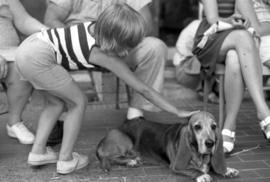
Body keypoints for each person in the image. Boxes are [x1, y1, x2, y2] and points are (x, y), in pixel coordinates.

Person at [15, 3, 198, 174]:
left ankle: (38, 152)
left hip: (27, 49)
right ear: (113, 39)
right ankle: (66, 159)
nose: (127, 52)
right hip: (39, 57)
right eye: (126, 46)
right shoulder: (100, 53)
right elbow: (144, 89)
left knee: (55, 104)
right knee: (78, 102)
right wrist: (177, 111)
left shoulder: (96, 28)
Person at [43, 0, 167, 145]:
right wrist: (82, 40)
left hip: (121, 46)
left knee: (155, 47)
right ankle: (58, 117)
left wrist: (119, 38)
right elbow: (51, 20)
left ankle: (135, 117)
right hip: (77, 46)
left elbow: (146, 25)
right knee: (46, 50)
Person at [193, 0, 270, 154]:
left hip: (235, 38)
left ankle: (228, 127)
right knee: (243, 36)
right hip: (210, 36)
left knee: (234, 58)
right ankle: (264, 113)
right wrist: (230, 21)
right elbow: (212, 19)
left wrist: (244, 21)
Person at [0, 0, 47, 144]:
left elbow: (23, 19)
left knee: (25, 64)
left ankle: (14, 123)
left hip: (9, 52)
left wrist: (46, 31)